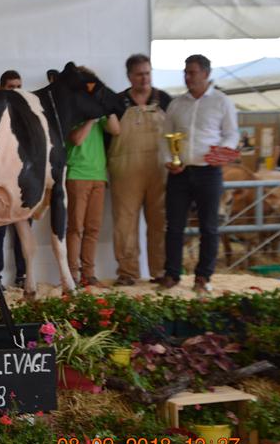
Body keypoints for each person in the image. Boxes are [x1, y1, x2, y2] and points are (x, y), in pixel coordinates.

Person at [158, 54, 239, 293]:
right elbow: (166, 136)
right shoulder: (176, 104)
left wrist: (222, 153)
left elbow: (231, 134)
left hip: (209, 173)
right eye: (185, 71)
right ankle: (172, 274)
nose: (187, 76)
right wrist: (168, 161)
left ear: (206, 73)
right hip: (179, 172)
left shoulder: (222, 102)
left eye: (192, 72)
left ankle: (203, 277)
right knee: (173, 226)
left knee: (209, 226)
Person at [108, 54, 172, 286]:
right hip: (125, 172)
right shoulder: (116, 102)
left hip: (159, 170)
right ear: (129, 76)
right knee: (124, 224)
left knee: (159, 222)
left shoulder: (165, 100)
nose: (144, 78)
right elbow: (106, 138)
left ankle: (161, 271)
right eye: (139, 74)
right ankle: (127, 272)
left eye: (147, 73)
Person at [65, 67, 121, 287]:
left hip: (99, 174)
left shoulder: (97, 106)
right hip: (77, 173)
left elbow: (116, 129)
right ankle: (72, 274)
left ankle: (89, 274)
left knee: (92, 229)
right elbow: (77, 139)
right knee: (76, 227)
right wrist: (91, 118)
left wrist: (106, 106)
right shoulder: (72, 107)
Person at [0, 70, 30, 289]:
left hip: (22, 181)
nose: (17, 91)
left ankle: (23, 274)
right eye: (12, 87)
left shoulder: (29, 116)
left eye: (19, 86)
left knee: (24, 228)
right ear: (3, 88)